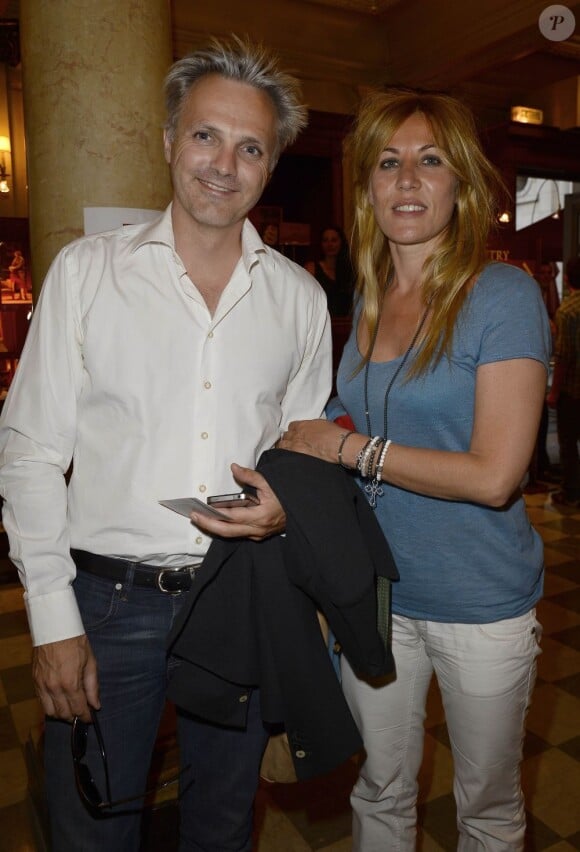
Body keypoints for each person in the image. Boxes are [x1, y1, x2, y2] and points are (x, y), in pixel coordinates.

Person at [0, 37, 331, 852]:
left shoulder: (299, 300)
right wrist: (52, 619)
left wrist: (288, 505)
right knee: (94, 824)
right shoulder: (86, 273)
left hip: (243, 591)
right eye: (206, 135)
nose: (224, 163)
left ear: (271, 163)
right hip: (108, 606)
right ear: (168, 142)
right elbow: (31, 448)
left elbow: (303, 451)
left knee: (223, 825)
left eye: (250, 146)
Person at [279, 86, 550, 851]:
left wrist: (346, 448)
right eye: (388, 163)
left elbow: (496, 474)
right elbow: (345, 416)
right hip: (376, 594)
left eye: (429, 161)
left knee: (487, 812)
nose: (406, 180)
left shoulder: (502, 294)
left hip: (482, 601)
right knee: (381, 791)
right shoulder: (369, 299)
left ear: (459, 181)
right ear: (366, 186)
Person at [547, 257, 580, 507]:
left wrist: (554, 393)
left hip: (573, 390)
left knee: (568, 443)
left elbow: (564, 356)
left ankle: (570, 491)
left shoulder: (567, 312)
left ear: (567, 278)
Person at [305, 225, 354, 316]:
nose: (330, 245)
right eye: (325, 240)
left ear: (341, 243)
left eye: (334, 240)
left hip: (346, 323)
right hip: (322, 321)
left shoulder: (351, 269)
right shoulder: (312, 268)